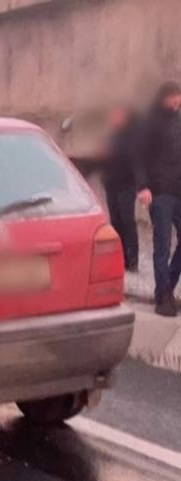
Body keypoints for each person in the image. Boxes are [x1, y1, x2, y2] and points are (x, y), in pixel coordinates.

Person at [137, 81, 181, 317]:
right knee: (162, 245)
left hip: (179, 191)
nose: (178, 100)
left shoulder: (178, 120)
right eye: (174, 96)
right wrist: (143, 187)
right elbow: (139, 157)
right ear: (164, 97)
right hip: (160, 193)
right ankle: (163, 297)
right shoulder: (151, 122)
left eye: (179, 96)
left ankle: (167, 290)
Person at [102, 105, 141, 272]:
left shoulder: (132, 137)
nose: (114, 118)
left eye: (117, 114)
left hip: (126, 185)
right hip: (111, 184)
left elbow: (136, 162)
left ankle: (132, 259)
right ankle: (121, 256)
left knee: (127, 222)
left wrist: (140, 185)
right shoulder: (111, 136)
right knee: (116, 222)